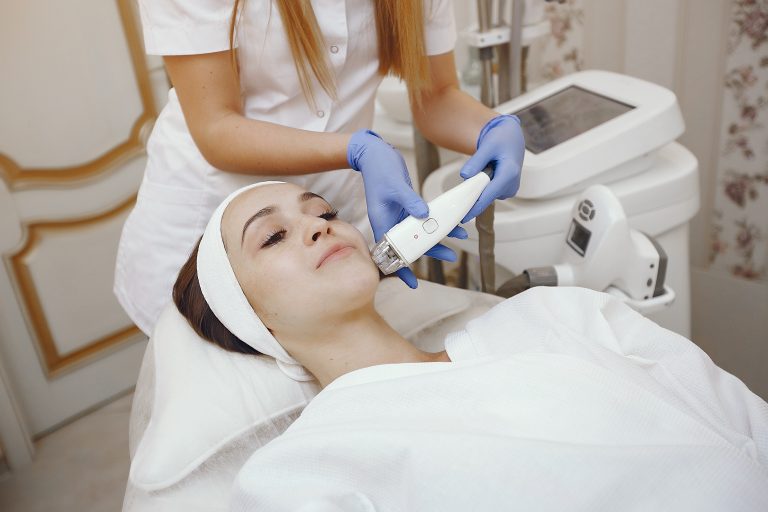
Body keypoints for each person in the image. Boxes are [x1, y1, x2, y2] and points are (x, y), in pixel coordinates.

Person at [173, 182, 768, 510]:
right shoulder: (300, 472)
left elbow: (742, 418)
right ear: (254, 322)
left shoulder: (550, 313)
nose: (319, 225)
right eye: (274, 236)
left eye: (324, 210)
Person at [115, 0, 526, 336]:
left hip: (330, 213)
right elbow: (216, 127)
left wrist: (492, 127)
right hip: (211, 224)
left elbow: (435, 94)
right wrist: (355, 150)